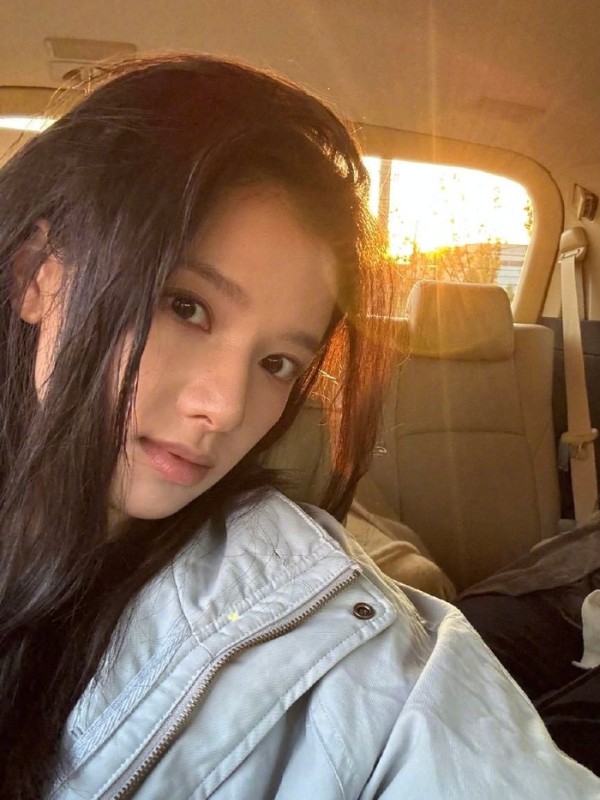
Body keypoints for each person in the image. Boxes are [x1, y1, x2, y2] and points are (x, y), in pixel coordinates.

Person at [0, 55, 598, 800]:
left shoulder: (330, 632)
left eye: (278, 363)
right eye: (185, 306)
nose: (226, 408)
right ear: (36, 274)